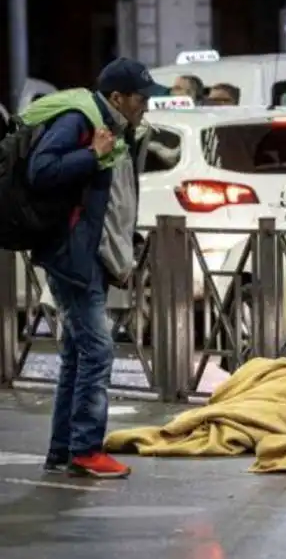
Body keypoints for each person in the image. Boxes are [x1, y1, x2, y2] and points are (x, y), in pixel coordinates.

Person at [27, 58, 167, 479]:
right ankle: (86, 449)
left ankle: (63, 449)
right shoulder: (78, 121)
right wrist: (92, 154)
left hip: (92, 257)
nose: (145, 106)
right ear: (117, 98)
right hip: (75, 257)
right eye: (141, 99)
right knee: (97, 350)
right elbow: (41, 170)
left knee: (76, 354)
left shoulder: (117, 127)